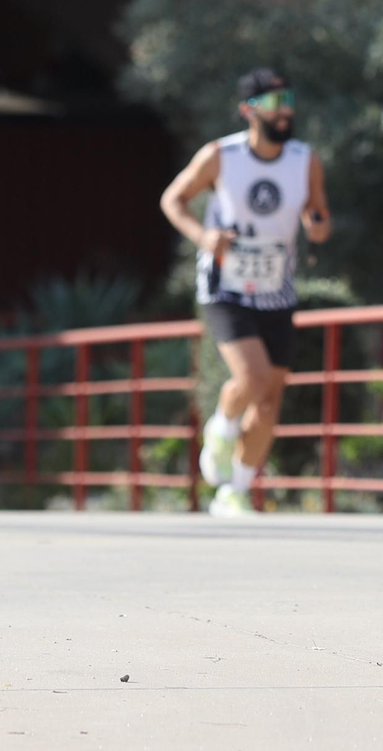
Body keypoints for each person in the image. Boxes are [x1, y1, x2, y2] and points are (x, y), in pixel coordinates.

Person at [160, 69, 333, 518]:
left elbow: (320, 216)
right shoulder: (221, 155)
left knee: (271, 398)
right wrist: (202, 236)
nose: (285, 111)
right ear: (249, 111)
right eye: (274, 103)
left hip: (277, 288)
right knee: (252, 377)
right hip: (226, 285)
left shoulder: (304, 159)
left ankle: (234, 490)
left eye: (288, 100)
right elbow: (172, 200)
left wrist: (318, 227)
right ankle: (221, 428)